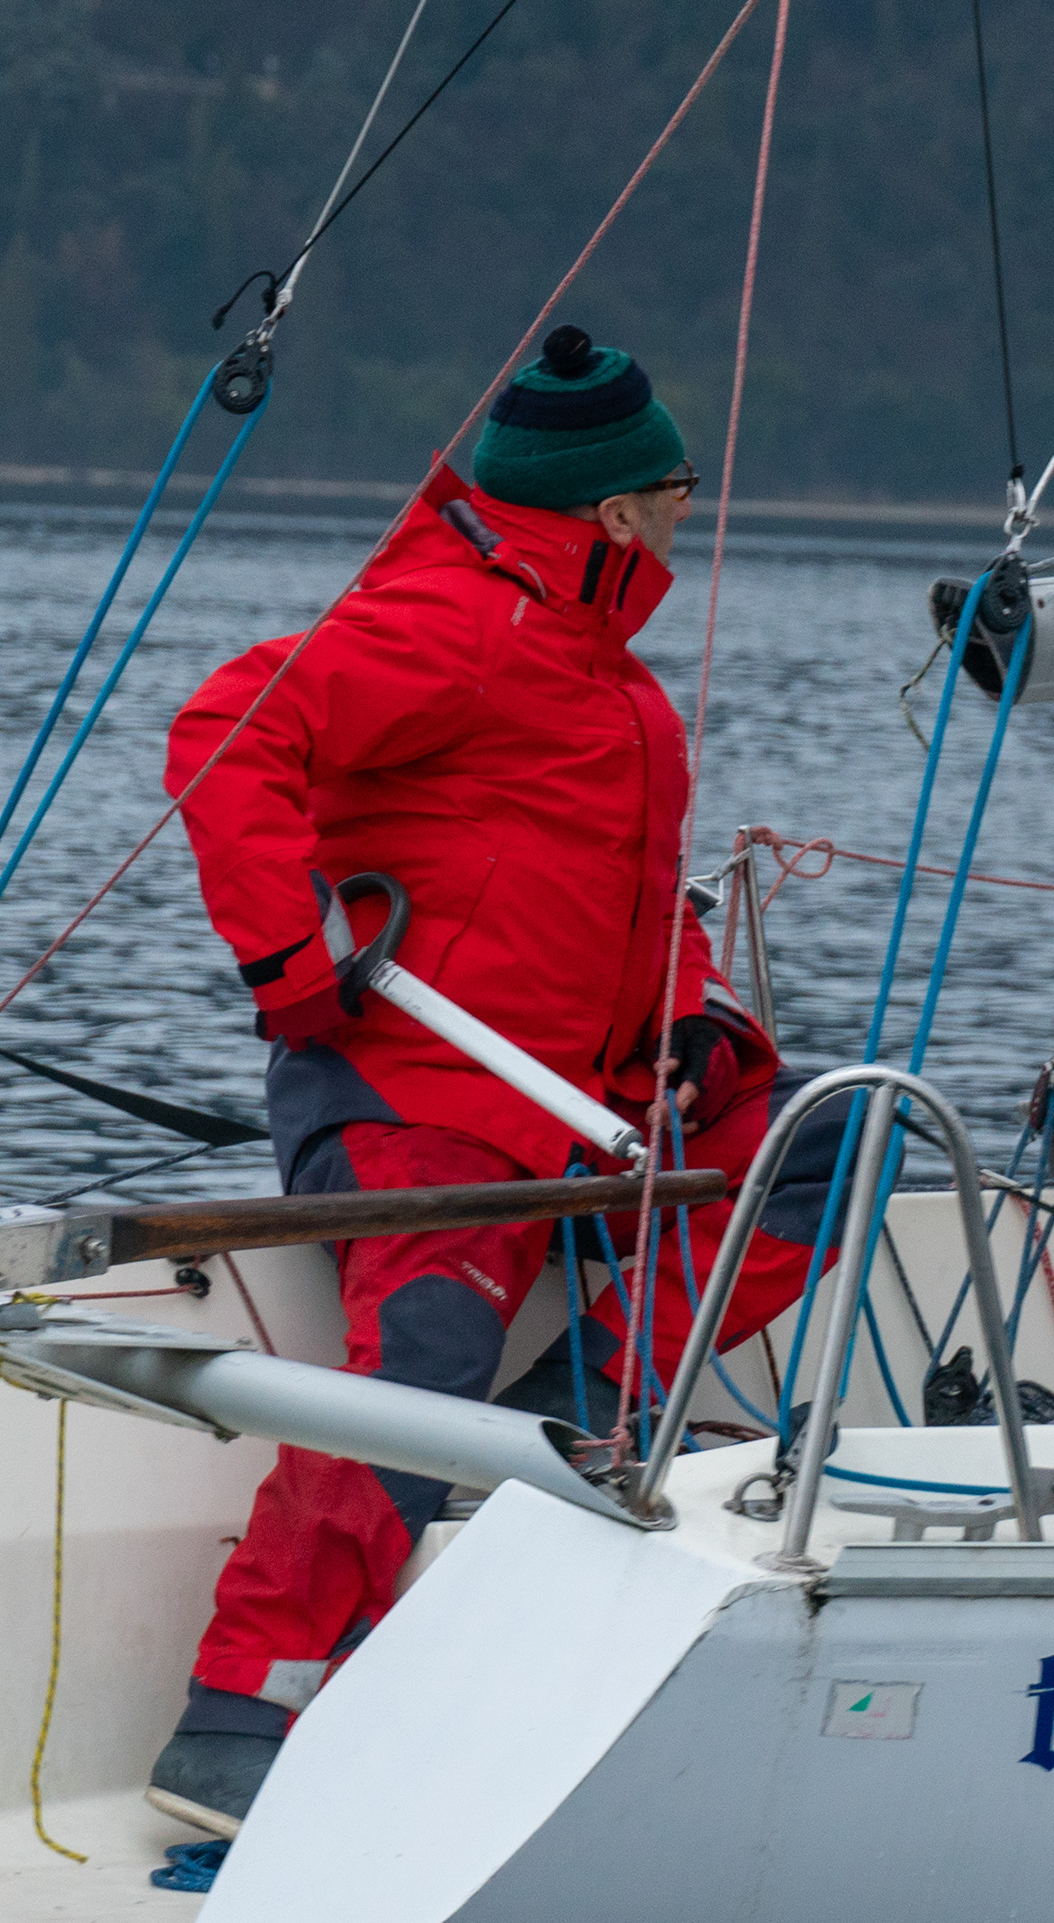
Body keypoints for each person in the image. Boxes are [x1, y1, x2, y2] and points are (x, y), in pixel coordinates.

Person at [146, 326, 814, 1837]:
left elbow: (623, 895)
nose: (688, 513)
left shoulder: (603, 672)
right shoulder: (457, 622)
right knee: (418, 1363)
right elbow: (228, 738)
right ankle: (243, 1708)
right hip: (417, 1104)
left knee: (827, 1157)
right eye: (675, 490)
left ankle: (577, 1418)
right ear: (614, 509)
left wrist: (686, 1018)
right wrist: (294, 968)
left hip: (580, 1102)